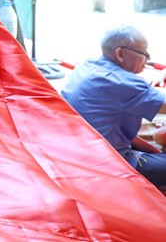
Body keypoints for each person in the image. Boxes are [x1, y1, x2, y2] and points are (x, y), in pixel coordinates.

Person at [61, 25, 166, 189]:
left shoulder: (86, 66)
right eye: (144, 54)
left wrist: (152, 150)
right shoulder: (122, 82)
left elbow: (110, 126)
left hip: (73, 153)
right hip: (107, 165)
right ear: (120, 53)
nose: (147, 60)